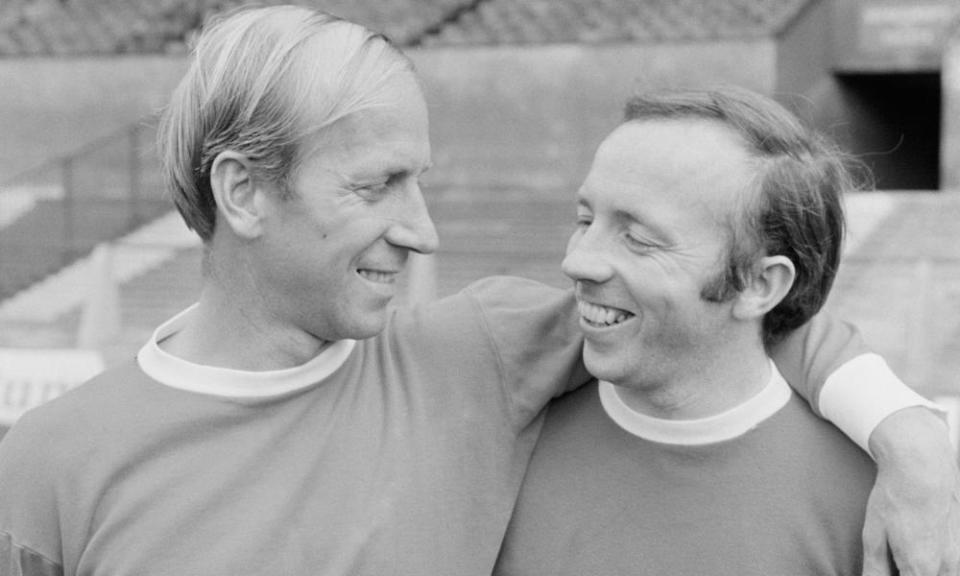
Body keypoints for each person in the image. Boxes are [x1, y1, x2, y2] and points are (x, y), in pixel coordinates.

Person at [0, 6, 955, 576]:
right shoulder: (45, 467)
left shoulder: (478, 356)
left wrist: (910, 437)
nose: (423, 229)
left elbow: (726, 319)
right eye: (378, 185)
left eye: (421, 181)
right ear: (243, 191)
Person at [494, 87, 957, 576]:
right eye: (585, 219)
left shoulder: (885, 503)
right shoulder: (503, 429)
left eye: (638, 239)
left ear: (760, 284)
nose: (577, 260)